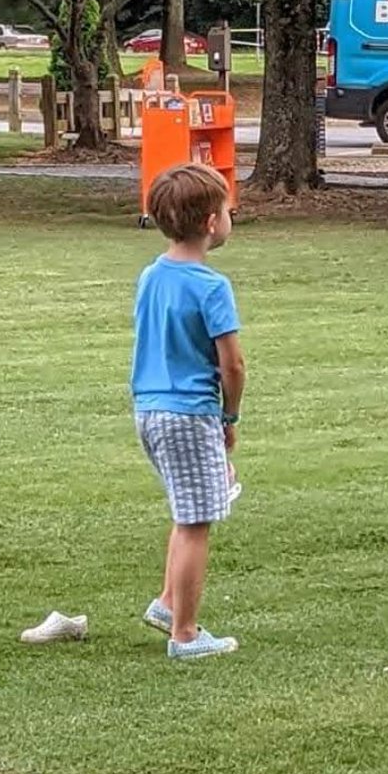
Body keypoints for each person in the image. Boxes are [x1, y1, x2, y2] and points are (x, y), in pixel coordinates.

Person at [131, 163, 245, 658]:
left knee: (187, 510)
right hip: (190, 412)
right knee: (197, 521)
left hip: (149, 411)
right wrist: (230, 417)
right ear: (210, 224)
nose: (229, 216)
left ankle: (166, 602)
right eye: (227, 209)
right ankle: (185, 633)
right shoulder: (211, 286)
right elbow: (232, 364)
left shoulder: (151, 276)